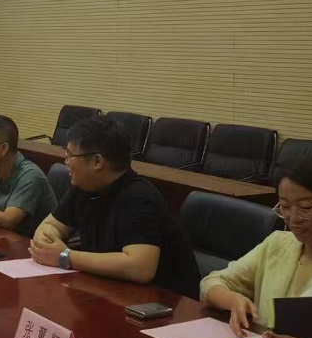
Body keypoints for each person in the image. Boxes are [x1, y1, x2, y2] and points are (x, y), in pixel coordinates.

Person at [30, 114, 200, 297]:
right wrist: (47, 244)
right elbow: (50, 225)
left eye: (70, 155)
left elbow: (140, 268)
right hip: (110, 290)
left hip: (163, 302)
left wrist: (65, 256)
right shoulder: (84, 186)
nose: (66, 162)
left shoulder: (140, 198)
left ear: (97, 162)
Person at [201, 155, 312, 338]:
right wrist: (233, 299)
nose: (293, 218)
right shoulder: (278, 244)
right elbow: (211, 283)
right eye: (285, 207)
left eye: (306, 208)